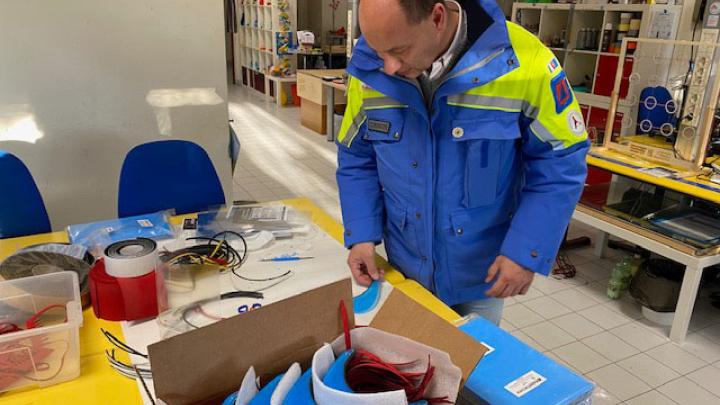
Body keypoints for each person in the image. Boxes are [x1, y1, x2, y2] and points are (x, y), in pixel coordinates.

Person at [336, 0, 589, 325]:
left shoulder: (525, 62)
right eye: (377, 49)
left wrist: (526, 251)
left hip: (480, 273)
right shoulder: (372, 65)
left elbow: (560, 164)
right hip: (403, 266)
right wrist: (361, 235)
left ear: (438, 17)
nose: (387, 66)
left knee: (472, 367)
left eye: (399, 50)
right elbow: (357, 157)